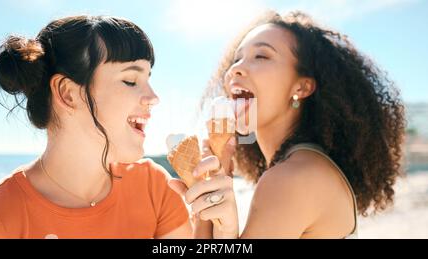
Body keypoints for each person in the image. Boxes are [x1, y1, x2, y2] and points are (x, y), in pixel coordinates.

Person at [170, 11, 406, 238]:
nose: (235, 69)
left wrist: (206, 213)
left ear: (301, 88)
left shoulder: (292, 178)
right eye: (236, 59)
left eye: (261, 56)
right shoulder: (307, 166)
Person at [0, 15, 192, 239]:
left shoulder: (155, 187)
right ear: (68, 93)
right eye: (130, 80)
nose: (153, 97)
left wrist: (223, 230)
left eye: (148, 79)